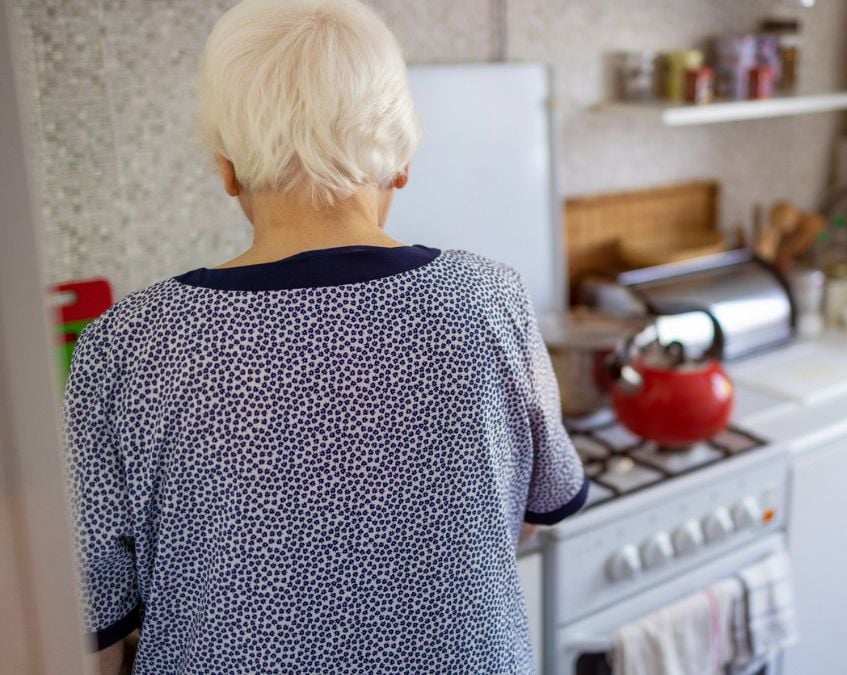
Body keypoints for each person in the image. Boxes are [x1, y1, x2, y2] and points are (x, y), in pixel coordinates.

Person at [62, 0, 586, 672]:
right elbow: (538, 505)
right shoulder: (490, 300)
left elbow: (90, 618)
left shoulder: (125, 343)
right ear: (400, 159)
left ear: (226, 169)